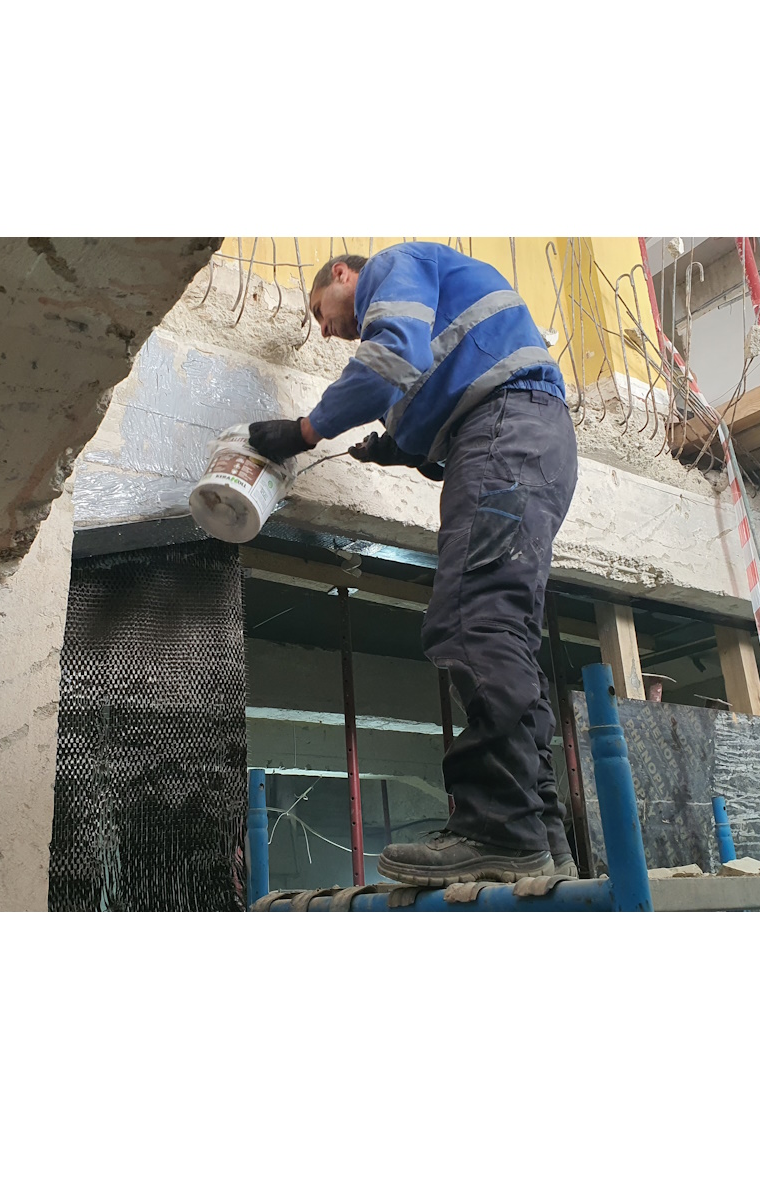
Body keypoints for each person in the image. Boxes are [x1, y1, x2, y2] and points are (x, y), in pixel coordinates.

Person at [248, 242, 579, 886]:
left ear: (342, 275)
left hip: (505, 434)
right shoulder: (434, 296)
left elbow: (393, 357)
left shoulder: (391, 267)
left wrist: (304, 431)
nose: (325, 330)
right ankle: (540, 835)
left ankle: (502, 830)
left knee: (472, 621)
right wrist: (401, 446)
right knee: (501, 629)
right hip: (528, 440)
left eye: (320, 311)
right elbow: (441, 376)